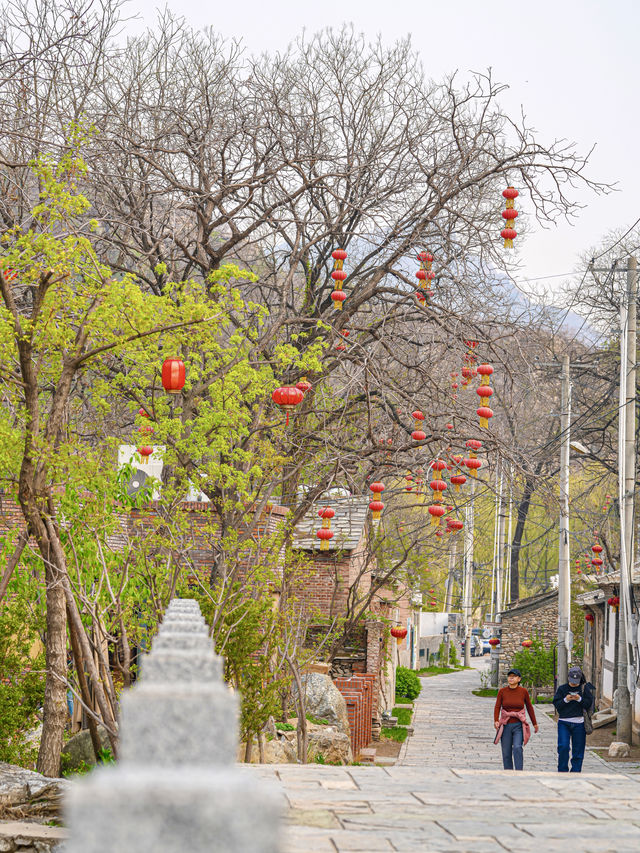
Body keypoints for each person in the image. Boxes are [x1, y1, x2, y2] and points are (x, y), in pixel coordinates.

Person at [494, 668, 539, 770]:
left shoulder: (523, 692)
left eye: (513, 677)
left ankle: (519, 771)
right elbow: (497, 706)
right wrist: (496, 720)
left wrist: (534, 723)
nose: (511, 678)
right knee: (506, 751)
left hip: (518, 725)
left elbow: (529, 707)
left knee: (518, 747)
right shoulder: (502, 691)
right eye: (510, 677)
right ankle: (508, 773)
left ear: (519, 679)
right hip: (505, 725)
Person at [553, 665, 594, 773]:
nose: (574, 683)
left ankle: (576, 772)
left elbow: (588, 704)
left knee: (578, 750)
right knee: (563, 746)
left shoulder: (584, 689)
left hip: (579, 723)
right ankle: (562, 771)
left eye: (576, 680)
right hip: (564, 722)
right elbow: (557, 705)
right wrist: (566, 699)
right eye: (572, 680)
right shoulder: (562, 689)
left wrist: (579, 699)